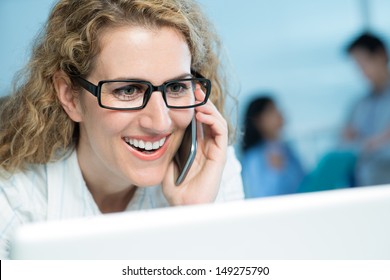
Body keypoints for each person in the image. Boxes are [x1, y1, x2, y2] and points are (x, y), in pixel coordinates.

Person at [0, 0, 244, 259]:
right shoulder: (15, 201)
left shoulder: (212, 169)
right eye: (128, 90)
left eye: (175, 88)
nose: (160, 122)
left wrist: (194, 220)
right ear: (70, 97)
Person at [342, 32, 390, 186]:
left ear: (381, 55)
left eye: (364, 63)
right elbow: (344, 145)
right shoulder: (358, 105)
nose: (362, 71)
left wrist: (364, 146)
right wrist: (373, 144)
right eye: (357, 65)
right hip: (364, 187)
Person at [240, 95, 305, 198]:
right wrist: (275, 173)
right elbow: (258, 196)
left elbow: (303, 181)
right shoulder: (253, 158)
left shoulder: (286, 149)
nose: (279, 114)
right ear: (258, 120)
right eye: (272, 110)